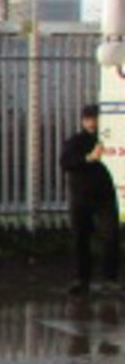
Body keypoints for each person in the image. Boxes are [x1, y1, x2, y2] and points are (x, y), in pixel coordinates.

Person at [60, 103, 119, 295]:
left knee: (111, 237)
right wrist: (88, 158)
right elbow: (66, 162)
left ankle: (109, 279)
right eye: (88, 119)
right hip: (81, 197)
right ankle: (81, 279)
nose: (92, 122)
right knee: (80, 238)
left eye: (95, 118)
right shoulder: (76, 141)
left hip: (105, 196)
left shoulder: (112, 138)